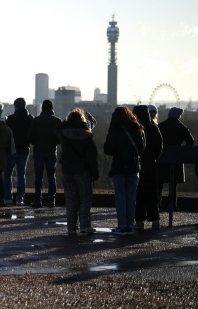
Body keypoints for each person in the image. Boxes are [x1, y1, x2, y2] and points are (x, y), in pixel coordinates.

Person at [56, 108, 99, 236]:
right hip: (82, 171)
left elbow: (58, 127)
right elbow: (92, 157)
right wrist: (94, 172)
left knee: (70, 200)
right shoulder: (87, 136)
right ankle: (85, 225)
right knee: (85, 199)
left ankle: (71, 227)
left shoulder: (62, 133)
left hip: (67, 170)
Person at [103, 106, 146, 235]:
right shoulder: (138, 129)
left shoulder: (115, 130)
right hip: (133, 166)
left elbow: (108, 149)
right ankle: (129, 225)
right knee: (131, 197)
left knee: (120, 196)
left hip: (119, 167)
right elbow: (142, 148)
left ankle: (122, 225)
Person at [132, 105, 163, 231]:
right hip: (150, 165)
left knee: (139, 194)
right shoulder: (154, 128)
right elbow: (159, 147)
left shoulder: (135, 128)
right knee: (152, 193)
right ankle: (155, 219)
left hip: (138, 165)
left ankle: (139, 221)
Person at [157, 106, 195, 207]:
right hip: (176, 158)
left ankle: (156, 204)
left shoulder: (161, 126)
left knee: (159, 183)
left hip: (162, 158)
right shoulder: (181, 127)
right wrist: (181, 150)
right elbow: (190, 141)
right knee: (173, 185)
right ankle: (172, 204)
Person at [27, 99, 61, 208]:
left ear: (42, 108)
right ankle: (52, 200)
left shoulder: (36, 120)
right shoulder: (57, 121)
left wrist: (37, 142)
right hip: (51, 151)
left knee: (38, 177)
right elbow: (60, 138)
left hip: (39, 151)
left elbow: (30, 137)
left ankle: (38, 200)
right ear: (52, 108)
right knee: (52, 177)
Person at [3, 97, 34, 205]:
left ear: (15, 106)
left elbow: (6, 135)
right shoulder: (30, 119)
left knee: (8, 174)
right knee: (21, 174)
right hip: (24, 150)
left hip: (12, 149)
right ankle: (20, 199)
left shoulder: (10, 119)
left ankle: (8, 198)